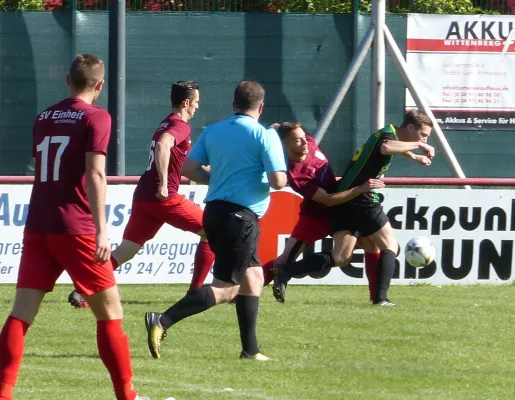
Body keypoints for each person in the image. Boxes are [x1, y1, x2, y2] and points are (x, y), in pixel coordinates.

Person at [0, 54, 149, 400]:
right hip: (75, 226)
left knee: (21, 313)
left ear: (68, 81)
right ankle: (128, 396)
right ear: (99, 85)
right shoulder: (97, 117)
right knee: (110, 312)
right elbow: (95, 174)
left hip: (39, 223)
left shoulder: (44, 116)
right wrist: (101, 230)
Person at [144, 80, 287, 361]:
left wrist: (219, 178)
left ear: (234, 105)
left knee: (254, 277)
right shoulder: (264, 135)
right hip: (241, 218)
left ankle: (250, 350)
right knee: (226, 288)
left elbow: (188, 167)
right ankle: (162, 320)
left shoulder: (213, 130)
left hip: (215, 213)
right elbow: (278, 181)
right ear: (261, 107)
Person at [68, 81, 215, 309]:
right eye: (196, 102)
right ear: (186, 102)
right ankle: (195, 293)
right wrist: (165, 184)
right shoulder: (180, 125)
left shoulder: (165, 121)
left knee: (126, 250)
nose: (197, 107)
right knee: (212, 231)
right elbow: (164, 145)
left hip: (144, 196)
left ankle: (82, 290)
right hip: (163, 198)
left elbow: (180, 161)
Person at [274, 110, 434, 306]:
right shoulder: (387, 136)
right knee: (390, 245)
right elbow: (386, 147)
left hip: (344, 201)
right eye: (423, 134)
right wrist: (419, 145)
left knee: (341, 256)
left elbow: (388, 147)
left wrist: (414, 157)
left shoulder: (386, 134)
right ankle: (381, 299)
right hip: (358, 198)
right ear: (410, 128)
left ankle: (287, 271)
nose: (424, 139)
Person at [259, 122, 385, 302]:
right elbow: (327, 200)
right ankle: (241, 293)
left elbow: (283, 129)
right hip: (316, 216)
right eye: (297, 140)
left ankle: (378, 299)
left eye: (304, 137)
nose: (304, 142)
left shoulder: (309, 142)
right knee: (285, 260)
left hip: (343, 209)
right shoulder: (296, 175)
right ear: (285, 145)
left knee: (371, 246)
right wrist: (359, 189)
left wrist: (276, 127)